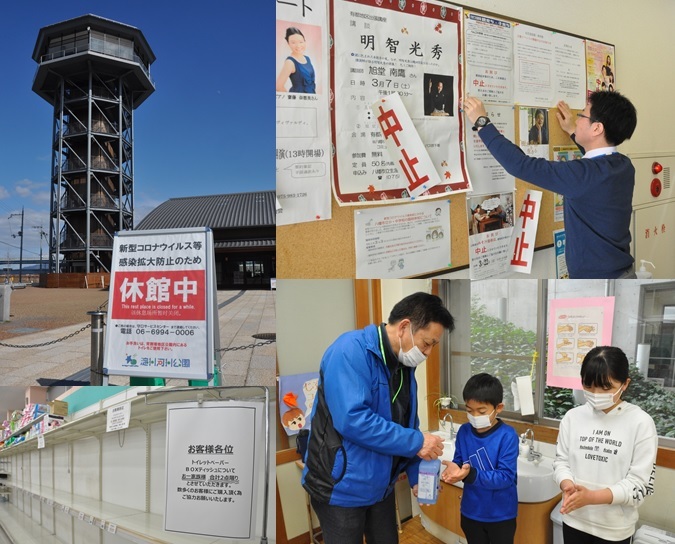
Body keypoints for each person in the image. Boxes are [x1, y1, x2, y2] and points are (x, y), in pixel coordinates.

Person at [302, 292, 455, 544]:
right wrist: (418, 442)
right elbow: (353, 420)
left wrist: (419, 474)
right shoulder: (349, 351)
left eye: (432, 346)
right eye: (427, 343)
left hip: (380, 487)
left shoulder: (405, 366)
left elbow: (407, 426)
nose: (427, 353)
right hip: (340, 489)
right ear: (405, 327)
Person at [462, 91, 638, 278]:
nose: (577, 120)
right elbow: (594, 162)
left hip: (599, 284)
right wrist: (573, 131)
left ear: (596, 129)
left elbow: (520, 165)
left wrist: (482, 122)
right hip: (621, 273)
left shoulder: (583, 175)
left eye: (582, 116)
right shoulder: (623, 165)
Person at [553, 346, 657, 543]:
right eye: (588, 386)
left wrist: (592, 497)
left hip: (614, 530)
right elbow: (561, 462)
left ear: (625, 384)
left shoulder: (641, 423)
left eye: (606, 387)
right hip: (574, 520)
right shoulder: (572, 417)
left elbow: (639, 486)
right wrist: (567, 484)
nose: (596, 393)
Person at [441, 373, 519, 544]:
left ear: (498, 408)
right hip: (471, 512)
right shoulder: (464, 431)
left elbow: (505, 477)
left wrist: (469, 475)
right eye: (469, 411)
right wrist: (454, 468)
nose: (475, 416)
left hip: (501, 515)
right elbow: (460, 461)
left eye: (481, 411)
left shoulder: (508, 436)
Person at [276, 27, 316, 93]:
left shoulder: (307, 58)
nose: (298, 46)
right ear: (288, 44)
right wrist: (291, 100)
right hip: (299, 101)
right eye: (293, 43)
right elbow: (278, 86)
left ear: (305, 42)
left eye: (301, 42)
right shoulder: (290, 62)